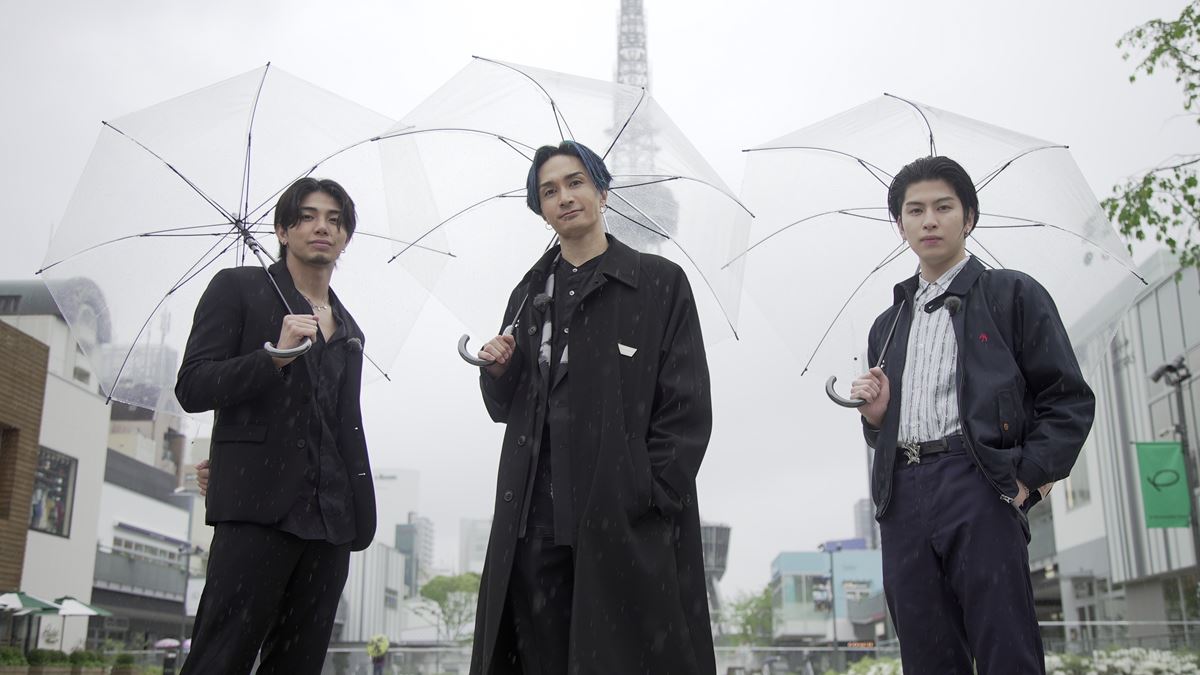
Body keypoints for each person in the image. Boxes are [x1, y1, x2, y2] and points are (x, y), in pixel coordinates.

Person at [469, 140, 715, 675]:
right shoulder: (528, 294)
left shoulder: (658, 283)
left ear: (603, 192)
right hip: (534, 516)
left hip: (621, 518)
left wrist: (647, 492)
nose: (564, 197)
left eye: (576, 182)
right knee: (538, 657)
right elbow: (507, 408)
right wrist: (498, 372)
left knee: (624, 656)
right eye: (549, 191)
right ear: (540, 209)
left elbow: (687, 406)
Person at [849, 156, 1095, 674]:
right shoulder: (887, 325)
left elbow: (1067, 398)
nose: (929, 220)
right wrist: (876, 418)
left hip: (981, 481)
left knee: (1006, 647)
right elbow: (882, 432)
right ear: (900, 225)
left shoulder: (1012, 294)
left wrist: (1025, 480)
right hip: (902, 494)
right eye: (915, 210)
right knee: (927, 654)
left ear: (970, 217)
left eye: (943, 207)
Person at [176, 177, 376, 675]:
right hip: (257, 511)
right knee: (219, 659)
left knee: (298, 665)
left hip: (331, 520)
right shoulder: (239, 288)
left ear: (346, 238)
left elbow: (337, 422)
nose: (322, 227)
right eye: (307, 217)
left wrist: (352, 502)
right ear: (283, 231)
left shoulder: (349, 327)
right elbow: (193, 385)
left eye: (334, 220)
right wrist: (273, 357)